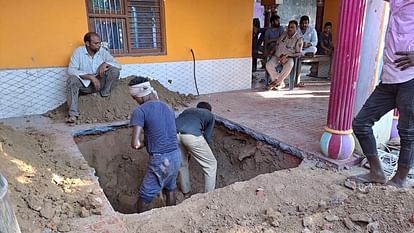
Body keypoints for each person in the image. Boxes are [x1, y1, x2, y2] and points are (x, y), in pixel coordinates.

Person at [351, 0, 414, 188]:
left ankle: (400, 179)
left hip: (410, 79)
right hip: (388, 79)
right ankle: (377, 172)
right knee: (360, 123)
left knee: (408, 133)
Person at [128, 76, 181, 212]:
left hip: (161, 161)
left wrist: (145, 142)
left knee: (145, 196)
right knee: (170, 189)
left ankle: (142, 224)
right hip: (175, 155)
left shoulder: (140, 111)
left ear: (139, 96)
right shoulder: (167, 106)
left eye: (135, 98)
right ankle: (173, 216)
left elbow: (135, 144)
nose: (136, 101)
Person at [66, 32, 121, 123]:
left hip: (100, 82)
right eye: (96, 43)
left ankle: (105, 93)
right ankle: (73, 114)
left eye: (99, 43)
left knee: (114, 70)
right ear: (87, 43)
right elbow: (71, 70)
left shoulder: (102, 51)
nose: (98, 45)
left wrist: (106, 63)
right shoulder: (78, 52)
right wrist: (91, 77)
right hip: (86, 84)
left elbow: (118, 65)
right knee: (71, 80)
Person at [176, 102, 216, 197]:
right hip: (191, 136)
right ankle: (208, 196)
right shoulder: (209, 115)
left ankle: (186, 191)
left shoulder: (187, 110)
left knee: (182, 164)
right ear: (209, 110)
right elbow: (207, 136)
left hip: (173, 134)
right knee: (211, 165)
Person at [266, 20, 303, 91]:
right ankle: (280, 82)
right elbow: (277, 44)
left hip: (288, 58)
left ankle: (276, 82)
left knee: (290, 65)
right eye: (289, 27)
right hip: (277, 56)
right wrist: (272, 51)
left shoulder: (299, 38)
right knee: (268, 65)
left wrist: (288, 55)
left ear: (296, 28)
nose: (290, 29)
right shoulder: (284, 34)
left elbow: (299, 53)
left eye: (292, 27)